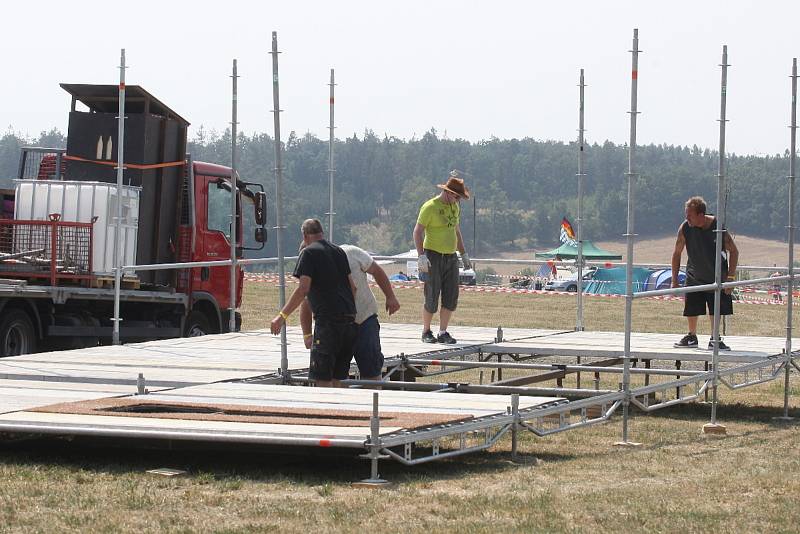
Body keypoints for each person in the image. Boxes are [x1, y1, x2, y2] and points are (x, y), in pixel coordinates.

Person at [270, 219, 357, 387]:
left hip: (328, 323)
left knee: (322, 379)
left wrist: (282, 316)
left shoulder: (308, 253)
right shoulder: (339, 251)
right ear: (321, 232)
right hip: (349, 322)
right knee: (337, 379)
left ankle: (324, 412)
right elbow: (353, 287)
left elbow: (303, 289)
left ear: (304, 235)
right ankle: (338, 411)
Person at [299, 245, 401, 381]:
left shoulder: (351, 253)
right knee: (336, 376)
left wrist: (390, 296)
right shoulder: (311, 272)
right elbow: (306, 302)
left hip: (364, 319)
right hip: (336, 328)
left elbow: (376, 270)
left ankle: (372, 400)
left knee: (371, 372)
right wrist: (307, 335)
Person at [671, 196, 739, 350]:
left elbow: (734, 251)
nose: (686, 218)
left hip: (717, 276)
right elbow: (676, 253)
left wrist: (730, 278)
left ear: (701, 215)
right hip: (694, 275)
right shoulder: (685, 228)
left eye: (690, 215)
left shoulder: (717, 228)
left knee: (716, 308)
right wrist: (674, 279)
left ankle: (715, 338)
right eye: (686, 214)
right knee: (691, 307)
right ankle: (691, 336)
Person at [413, 172, 471, 344]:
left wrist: (463, 253)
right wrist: (421, 256)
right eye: (456, 196)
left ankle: (443, 332)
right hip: (433, 256)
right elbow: (417, 232)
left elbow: (456, 231)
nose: (458, 200)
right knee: (431, 295)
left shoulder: (455, 207)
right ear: (447, 192)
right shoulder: (429, 207)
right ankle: (426, 331)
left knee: (451, 295)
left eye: (460, 198)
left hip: (450, 256)